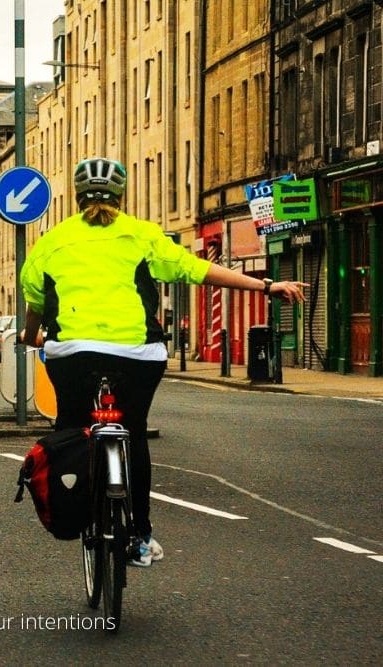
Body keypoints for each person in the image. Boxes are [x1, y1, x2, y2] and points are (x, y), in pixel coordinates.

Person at [19, 157, 307, 567]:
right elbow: (198, 270)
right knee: (132, 433)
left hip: (73, 353)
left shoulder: (50, 242)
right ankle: (139, 535)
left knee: (72, 433)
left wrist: (34, 338)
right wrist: (266, 285)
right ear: (122, 195)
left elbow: (36, 306)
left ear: (76, 196)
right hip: (139, 354)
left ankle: (78, 510)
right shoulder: (142, 235)